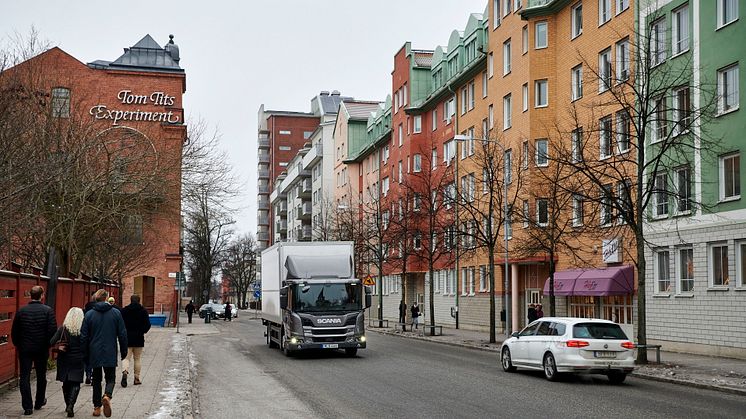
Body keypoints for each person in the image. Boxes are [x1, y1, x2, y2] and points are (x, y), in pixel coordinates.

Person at [11, 285, 57, 415]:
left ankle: (27, 407)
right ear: (42, 296)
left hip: (25, 349)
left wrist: (19, 345)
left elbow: (15, 331)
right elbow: (52, 331)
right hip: (41, 349)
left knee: (24, 377)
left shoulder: (21, 311)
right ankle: (39, 401)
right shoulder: (48, 311)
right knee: (41, 376)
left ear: (30, 295)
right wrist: (47, 345)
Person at [81, 289, 127, 418]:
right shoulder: (116, 313)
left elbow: (84, 336)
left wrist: (84, 353)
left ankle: (96, 407)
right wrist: (124, 351)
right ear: (106, 298)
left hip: (94, 351)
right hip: (110, 350)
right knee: (110, 378)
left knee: (96, 379)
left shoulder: (89, 315)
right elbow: (122, 334)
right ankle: (107, 395)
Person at [51, 307, 86, 417]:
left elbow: (51, 342)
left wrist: (58, 347)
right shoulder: (83, 330)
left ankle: (67, 404)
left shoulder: (63, 329)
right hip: (78, 358)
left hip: (64, 358)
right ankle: (71, 404)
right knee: (76, 382)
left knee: (66, 382)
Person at [120, 294, 151, 388]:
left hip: (127, 338)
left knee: (126, 358)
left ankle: (125, 372)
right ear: (139, 300)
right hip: (138, 338)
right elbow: (148, 324)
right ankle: (136, 378)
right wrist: (142, 331)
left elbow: (120, 324)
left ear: (130, 300)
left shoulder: (124, 311)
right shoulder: (143, 311)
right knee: (137, 359)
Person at [83, 292, 96, 384]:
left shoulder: (87, 306)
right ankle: (94, 375)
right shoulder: (99, 308)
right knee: (94, 357)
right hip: (96, 335)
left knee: (87, 357)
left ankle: (88, 373)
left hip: (87, 335)